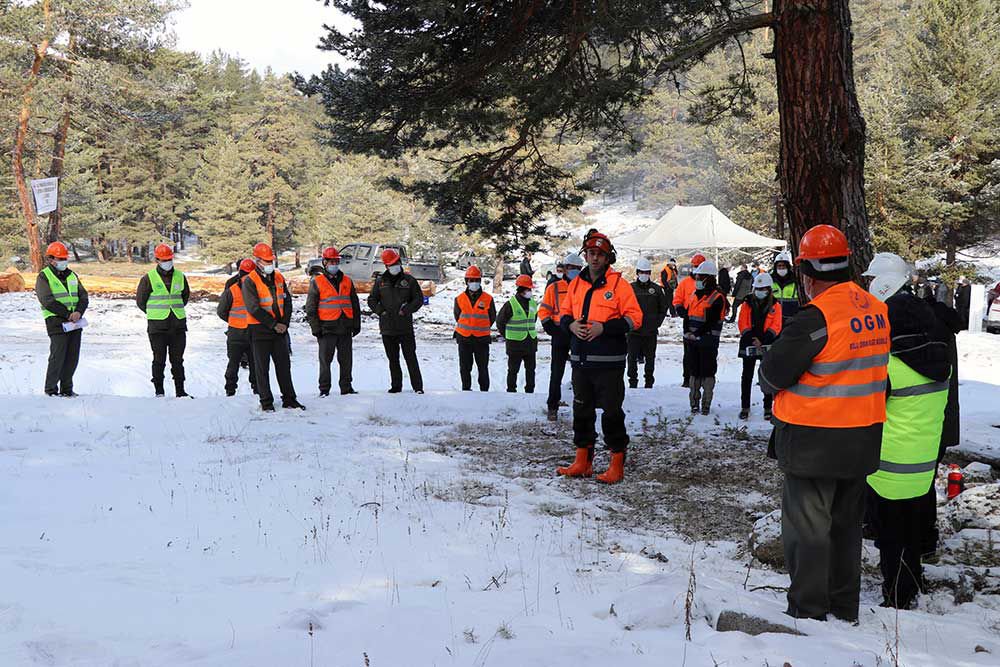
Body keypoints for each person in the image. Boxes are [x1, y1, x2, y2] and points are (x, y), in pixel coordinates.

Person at [759, 224, 890, 622]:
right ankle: (844, 606)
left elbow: (773, 374)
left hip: (814, 441)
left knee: (807, 529)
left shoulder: (816, 317)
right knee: (847, 527)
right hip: (863, 437)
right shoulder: (875, 309)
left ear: (806, 271)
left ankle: (809, 611)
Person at [862, 252, 951, 609]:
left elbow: (868, 411)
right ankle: (912, 583)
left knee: (890, 536)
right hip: (923, 462)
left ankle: (897, 597)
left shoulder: (890, 367)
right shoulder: (938, 358)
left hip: (888, 465)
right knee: (912, 530)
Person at [555, 232, 643, 484]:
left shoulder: (619, 286)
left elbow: (634, 318)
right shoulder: (575, 284)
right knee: (581, 410)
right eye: (591, 253)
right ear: (585, 255)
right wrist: (570, 325)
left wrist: (604, 328)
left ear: (607, 258)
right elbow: (564, 314)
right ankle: (583, 461)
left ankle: (616, 463)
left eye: (600, 254)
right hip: (581, 360)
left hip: (609, 363)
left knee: (611, 413)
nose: (594, 258)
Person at [918, 283, 962, 562]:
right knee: (925, 483)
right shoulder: (940, 325)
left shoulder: (925, 332)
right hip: (938, 421)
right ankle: (925, 542)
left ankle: (922, 542)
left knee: (917, 487)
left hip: (922, 424)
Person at [243, 242, 305, 412]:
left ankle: (290, 399)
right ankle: (266, 402)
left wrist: (284, 323)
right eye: (266, 261)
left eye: (271, 260)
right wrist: (273, 324)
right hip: (260, 330)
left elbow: (287, 301)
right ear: (257, 261)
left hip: (280, 331)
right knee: (262, 369)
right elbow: (253, 308)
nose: (269, 264)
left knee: (284, 366)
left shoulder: (278, 277)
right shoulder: (250, 281)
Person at [136, 243, 191, 397]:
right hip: (157, 327)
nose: (167, 262)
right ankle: (159, 391)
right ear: (157, 260)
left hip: (178, 325)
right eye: (164, 259)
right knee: (159, 360)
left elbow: (185, 296)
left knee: (178, 360)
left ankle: (180, 391)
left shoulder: (180, 276)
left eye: (169, 259)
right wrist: (156, 313)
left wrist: (174, 311)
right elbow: (141, 301)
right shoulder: (148, 278)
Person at [305, 246, 361, 396]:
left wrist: (356, 324)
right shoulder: (317, 282)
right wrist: (315, 328)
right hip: (326, 328)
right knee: (325, 361)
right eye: (331, 261)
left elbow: (354, 304)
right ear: (325, 262)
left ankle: (346, 387)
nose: (334, 264)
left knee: (346, 361)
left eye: (336, 261)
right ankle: (324, 389)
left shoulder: (347, 281)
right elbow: (311, 308)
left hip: (345, 327)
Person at [368, 248, 425, 394]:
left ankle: (418, 387)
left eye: (396, 263)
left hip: (405, 327)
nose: (394, 266)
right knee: (393, 359)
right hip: (387, 328)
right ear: (386, 266)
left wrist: (406, 310)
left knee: (410, 358)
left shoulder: (409, 280)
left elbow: (418, 299)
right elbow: (372, 300)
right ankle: (396, 386)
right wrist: (381, 311)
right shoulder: (381, 281)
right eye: (391, 264)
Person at [36, 241, 89, 397]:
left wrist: (79, 311)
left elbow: (83, 296)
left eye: (65, 258)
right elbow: (47, 300)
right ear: (51, 259)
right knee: (58, 356)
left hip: (75, 322)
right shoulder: (44, 276)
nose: (63, 261)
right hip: (56, 321)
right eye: (60, 259)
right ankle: (51, 390)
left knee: (72, 357)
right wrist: (67, 314)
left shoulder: (72, 275)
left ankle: (67, 389)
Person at [540, 253, 583, 421]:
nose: (574, 271)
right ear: (565, 269)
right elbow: (544, 310)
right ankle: (552, 406)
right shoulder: (554, 288)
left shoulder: (585, 287)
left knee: (580, 372)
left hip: (578, 334)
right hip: (559, 333)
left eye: (578, 269)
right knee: (556, 372)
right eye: (571, 268)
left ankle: (581, 404)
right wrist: (550, 327)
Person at [684, 260, 727, 415]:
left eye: (700, 277)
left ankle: (706, 405)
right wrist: (687, 332)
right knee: (694, 372)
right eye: (697, 276)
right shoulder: (694, 295)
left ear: (709, 278)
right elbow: (688, 316)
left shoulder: (717, 297)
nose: (697, 280)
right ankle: (694, 403)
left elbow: (711, 321)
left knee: (708, 373)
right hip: (693, 341)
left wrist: (696, 334)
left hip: (708, 341)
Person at [737, 273, 782, 420]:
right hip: (748, 343)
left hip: (767, 344)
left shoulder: (775, 305)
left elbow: (776, 325)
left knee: (766, 376)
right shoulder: (746, 303)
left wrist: (763, 340)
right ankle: (745, 407)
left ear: (769, 289)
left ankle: (768, 407)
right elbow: (742, 323)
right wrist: (751, 338)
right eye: (758, 288)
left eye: (763, 288)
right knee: (747, 376)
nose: (760, 291)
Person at [216, 258, 258, 396]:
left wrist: (233, 321)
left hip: (236, 333)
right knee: (255, 364)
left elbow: (221, 311)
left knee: (233, 363)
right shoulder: (258, 289)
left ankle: (230, 390)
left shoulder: (232, 289)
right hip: (252, 332)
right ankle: (256, 389)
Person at [627, 258, 668, 389]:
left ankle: (649, 382)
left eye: (647, 272)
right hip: (634, 332)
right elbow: (624, 307)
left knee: (650, 358)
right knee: (632, 358)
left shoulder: (656, 289)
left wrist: (657, 323)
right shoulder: (630, 288)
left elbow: (663, 307)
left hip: (650, 332)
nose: (644, 274)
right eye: (642, 272)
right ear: (637, 273)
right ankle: (632, 382)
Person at [454, 266, 496, 391]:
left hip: (481, 340)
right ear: (466, 281)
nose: (474, 283)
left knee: (483, 368)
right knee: (465, 368)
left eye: (476, 279)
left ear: (480, 280)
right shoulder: (459, 298)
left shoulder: (488, 298)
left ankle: (484, 391)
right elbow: (458, 316)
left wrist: (480, 327)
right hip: (464, 338)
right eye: (471, 280)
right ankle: (466, 390)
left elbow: (492, 317)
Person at [497, 274, 538, 393]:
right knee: (513, 370)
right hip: (515, 345)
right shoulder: (510, 304)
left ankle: (530, 391)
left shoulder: (533, 303)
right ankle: (511, 391)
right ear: (521, 290)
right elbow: (500, 322)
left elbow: (533, 319)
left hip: (530, 343)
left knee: (531, 370)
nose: (530, 291)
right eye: (528, 289)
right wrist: (508, 336)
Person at [674, 253, 706, 387]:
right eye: (694, 267)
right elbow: (677, 298)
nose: (695, 269)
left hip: (705, 322)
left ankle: (703, 378)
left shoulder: (708, 284)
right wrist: (680, 308)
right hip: (689, 322)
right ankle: (687, 378)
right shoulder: (685, 283)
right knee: (688, 353)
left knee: (704, 352)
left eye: (698, 267)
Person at [771, 250, 799, 325]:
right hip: (773, 320)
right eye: (779, 266)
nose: (781, 268)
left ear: (788, 267)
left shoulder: (795, 281)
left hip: (791, 320)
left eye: (783, 266)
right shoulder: (770, 281)